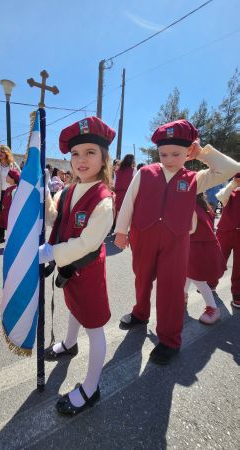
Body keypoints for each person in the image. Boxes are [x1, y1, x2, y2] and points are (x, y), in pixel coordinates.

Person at [114, 119, 240, 365]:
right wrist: (121, 230)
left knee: (171, 289)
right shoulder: (145, 172)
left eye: (176, 153)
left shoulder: (195, 178)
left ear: (188, 152)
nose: (169, 158)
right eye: (163, 154)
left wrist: (203, 152)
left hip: (177, 242)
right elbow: (129, 200)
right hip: (143, 236)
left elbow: (230, 168)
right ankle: (140, 314)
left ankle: (169, 340)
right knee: (142, 277)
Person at [39, 116, 115, 416]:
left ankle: (91, 387)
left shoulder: (104, 200)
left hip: (88, 272)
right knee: (73, 307)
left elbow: (86, 244)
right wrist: (44, 192)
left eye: (90, 152)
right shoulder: (68, 189)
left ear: (104, 157)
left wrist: (49, 252)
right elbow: (54, 217)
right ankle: (69, 344)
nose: (81, 160)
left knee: (94, 328)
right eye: (75, 154)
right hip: (68, 270)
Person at [184, 193, 226, 324]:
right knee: (188, 274)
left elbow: (190, 230)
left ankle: (213, 308)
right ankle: (182, 295)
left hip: (198, 248)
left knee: (198, 280)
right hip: (204, 246)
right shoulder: (204, 205)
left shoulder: (191, 207)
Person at [214, 174, 240, 308]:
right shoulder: (230, 192)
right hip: (225, 231)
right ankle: (211, 283)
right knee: (218, 259)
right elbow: (220, 197)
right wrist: (233, 184)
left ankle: (237, 293)